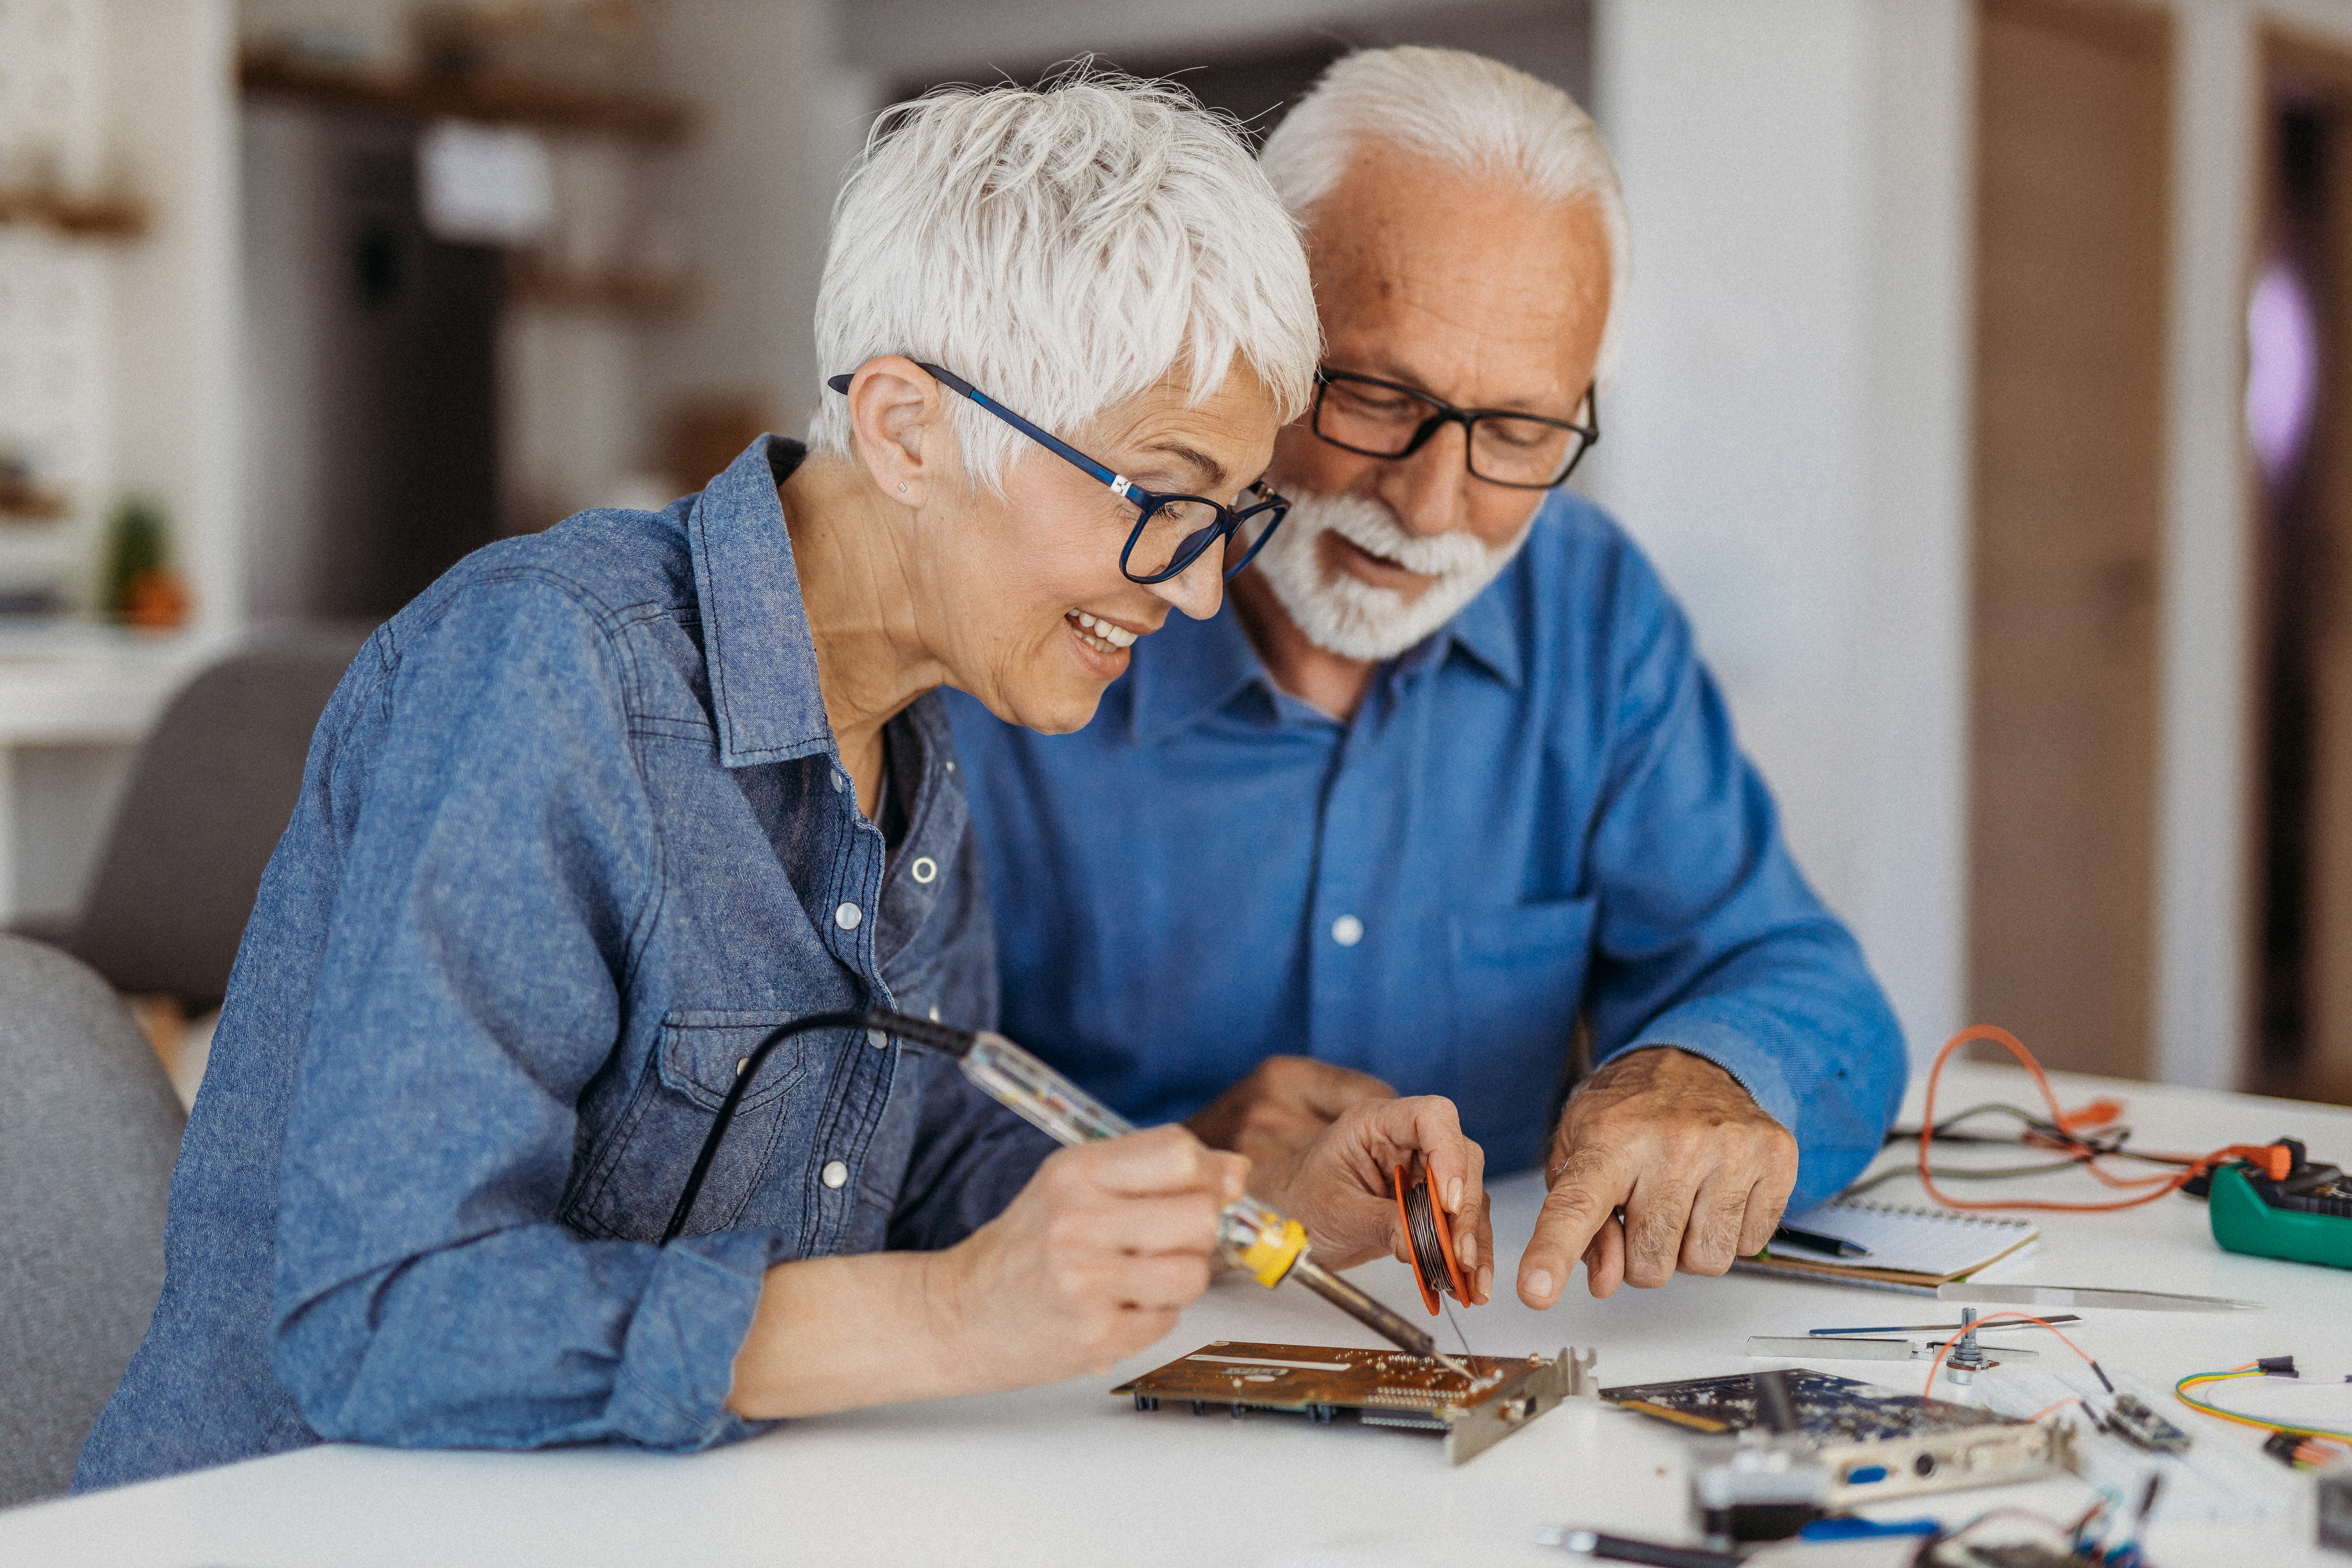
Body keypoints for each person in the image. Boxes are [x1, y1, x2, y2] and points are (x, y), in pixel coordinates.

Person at [77, 74, 1493, 1492]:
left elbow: (925, 1178)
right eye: (1161, 502)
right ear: (905, 429)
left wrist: (1244, 1214)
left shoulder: (928, 740)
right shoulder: (551, 671)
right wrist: (947, 1319)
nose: (1196, 595)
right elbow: (384, 1320)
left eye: (1227, 518)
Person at [947, 48, 1907, 1311]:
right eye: (1376, 398)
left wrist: (1708, 1071)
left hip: (1504, 1349)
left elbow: (1813, 990)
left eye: (1518, 433)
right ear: (1257, 336)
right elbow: (853, 1119)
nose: (1432, 503)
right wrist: (1179, 1164)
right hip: (1074, 1365)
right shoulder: (1031, 607)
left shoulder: (1589, 607)